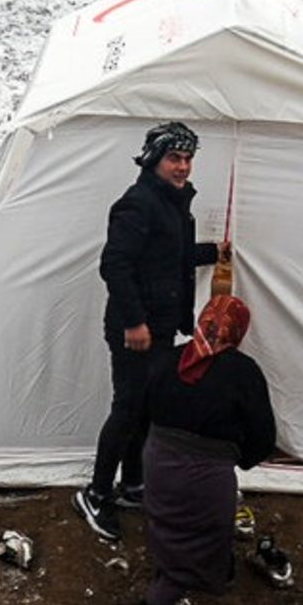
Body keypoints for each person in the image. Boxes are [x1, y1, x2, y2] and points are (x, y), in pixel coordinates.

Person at [103, 294, 281, 605]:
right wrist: (233, 461)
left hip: (159, 463)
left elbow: (142, 413)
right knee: (188, 560)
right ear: (238, 330)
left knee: (175, 532)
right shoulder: (242, 371)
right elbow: (264, 437)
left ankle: (208, 569)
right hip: (203, 477)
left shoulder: (169, 359)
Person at [74, 121, 227, 543]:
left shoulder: (173, 202)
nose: (182, 166)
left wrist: (212, 253)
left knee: (145, 407)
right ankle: (96, 493)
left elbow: (169, 256)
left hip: (159, 327)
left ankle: (134, 485)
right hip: (135, 329)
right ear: (153, 159)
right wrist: (133, 322)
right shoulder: (138, 203)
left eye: (187, 158)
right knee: (127, 409)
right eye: (174, 158)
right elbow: (115, 266)